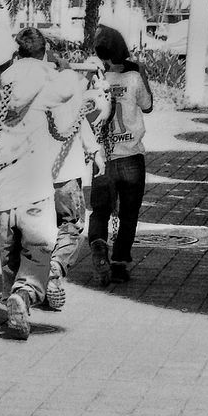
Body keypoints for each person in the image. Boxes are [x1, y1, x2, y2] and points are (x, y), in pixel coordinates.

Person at [0, 32, 75, 339]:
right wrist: (52, 69)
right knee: (37, 260)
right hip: (36, 195)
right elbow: (71, 86)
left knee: (9, 263)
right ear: (16, 60)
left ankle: (11, 308)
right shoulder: (43, 91)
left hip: (2, 198)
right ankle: (23, 298)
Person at [13, 27, 106, 311]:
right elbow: (82, 118)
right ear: (46, 53)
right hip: (65, 174)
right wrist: (94, 152)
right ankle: (54, 269)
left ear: (19, 54)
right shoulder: (66, 83)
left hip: (30, 175)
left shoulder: (14, 84)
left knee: (30, 231)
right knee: (69, 226)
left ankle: (27, 285)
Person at [87, 26, 153, 285]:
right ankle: (119, 262)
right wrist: (141, 73)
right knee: (129, 213)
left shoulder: (95, 82)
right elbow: (147, 106)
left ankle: (99, 245)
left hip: (103, 157)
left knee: (100, 210)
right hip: (131, 157)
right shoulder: (134, 79)